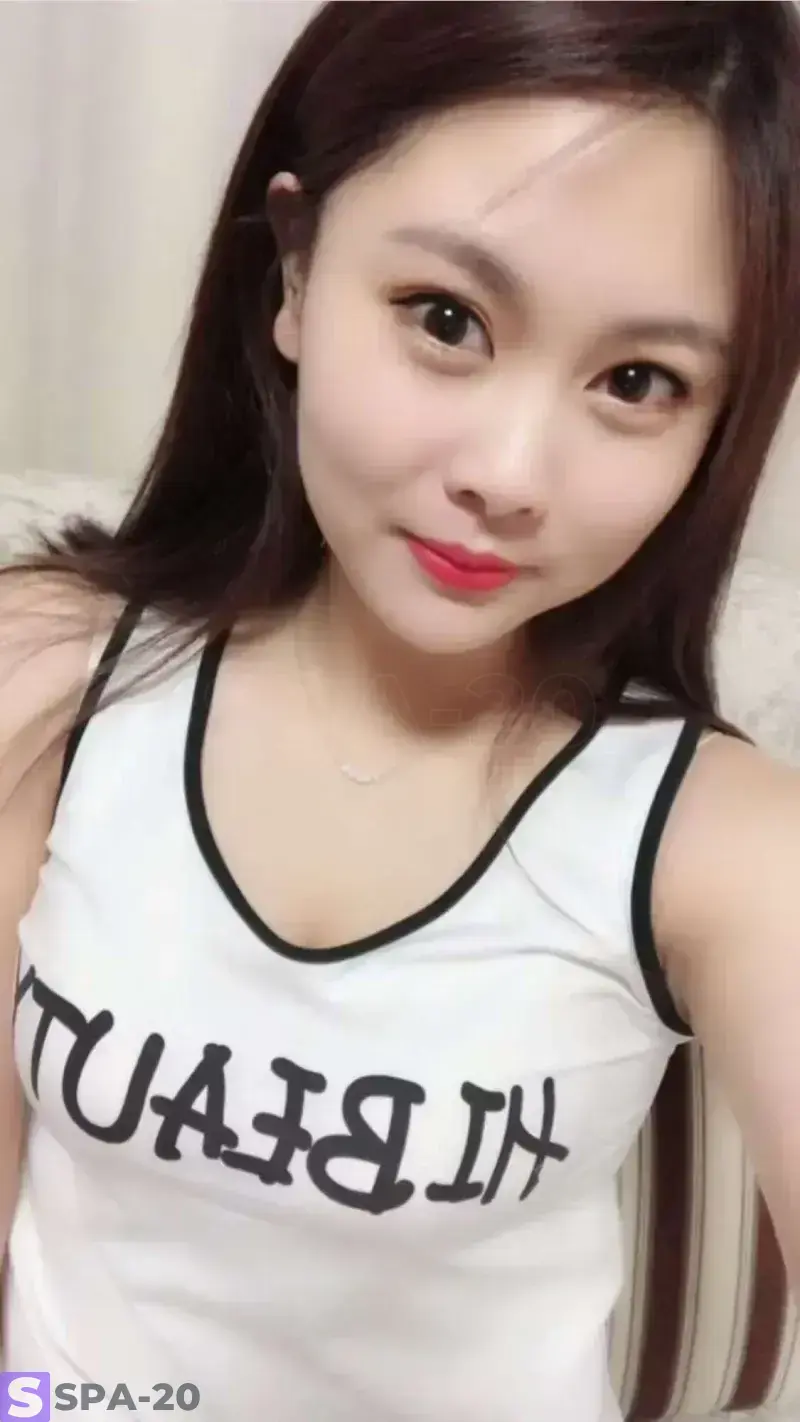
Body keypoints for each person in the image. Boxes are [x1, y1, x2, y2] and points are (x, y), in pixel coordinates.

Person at [1, 2, 800, 1419]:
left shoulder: (718, 842)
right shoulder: (51, 674)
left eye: (638, 382)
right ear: (295, 271)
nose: (510, 473)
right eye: (447, 318)